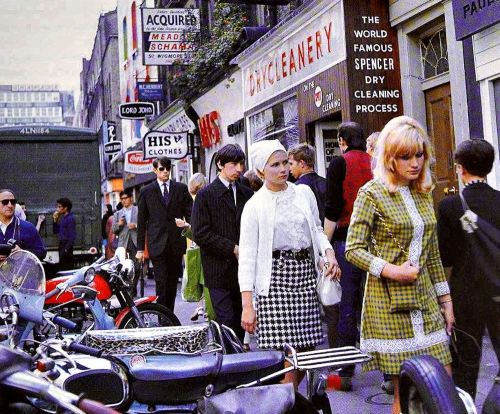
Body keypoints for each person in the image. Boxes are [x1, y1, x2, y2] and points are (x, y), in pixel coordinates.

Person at [345, 116, 454, 414]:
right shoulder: (371, 193)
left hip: (426, 301)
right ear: (389, 158)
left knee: (444, 383)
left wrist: (446, 300)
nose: (415, 163)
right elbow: (353, 250)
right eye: (405, 157)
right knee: (404, 395)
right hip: (389, 304)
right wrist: (393, 270)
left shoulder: (423, 192)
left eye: (419, 154)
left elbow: (432, 254)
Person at [239, 139, 340, 388]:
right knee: (288, 356)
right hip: (274, 281)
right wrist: (247, 305)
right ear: (262, 170)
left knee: (305, 354)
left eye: (285, 162)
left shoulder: (303, 193)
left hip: (305, 275)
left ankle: (287, 398)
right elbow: (248, 257)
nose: (283, 169)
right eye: (275, 164)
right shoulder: (254, 206)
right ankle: (289, 401)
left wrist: (329, 254)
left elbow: (317, 230)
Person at [437, 139, 500, 399]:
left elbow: (445, 256)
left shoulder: (450, 206)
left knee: (466, 364)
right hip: (499, 289)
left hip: (466, 295)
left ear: (460, 168)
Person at [323, 122, 373, 390]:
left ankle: (344, 371)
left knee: (347, 306)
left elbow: (333, 206)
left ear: (342, 140)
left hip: (346, 239)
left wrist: (325, 242)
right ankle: (389, 374)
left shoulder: (338, 164)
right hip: (376, 241)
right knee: (375, 304)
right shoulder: (375, 162)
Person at [191, 145, 254, 342]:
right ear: (220, 164)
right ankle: (230, 365)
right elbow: (200, 233)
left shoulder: (247, 193)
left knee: (240, 323)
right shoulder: (206, 195)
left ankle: (236, 364)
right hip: (218, 271)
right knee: (227, 323)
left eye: (241, 164)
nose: (239, 169)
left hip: (243, 271)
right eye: (233, 164)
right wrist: (232, 248)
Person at [136, 156, 193, 312]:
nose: (165, 172)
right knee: (161, 283)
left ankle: (169, 315)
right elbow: (141, 221)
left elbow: (191, 213)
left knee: (172, 283)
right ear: (155, 170)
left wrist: (190, 228)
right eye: (162, 169)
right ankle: (163, 318)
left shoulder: (180, 188)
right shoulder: (146, 191)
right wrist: (140, 249)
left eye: (168, 168)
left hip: (175, 243)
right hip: (157, 244)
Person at [0, 189, 46, 261]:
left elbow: (41, 253)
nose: (10, 205)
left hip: (20, 271)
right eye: (5, 202)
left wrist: (22, 253)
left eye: (13, 202)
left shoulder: (28, 228)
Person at [288, 143, 327, 224]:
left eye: (291, 164)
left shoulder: (295, 188)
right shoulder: (327, 183)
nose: (289, 168)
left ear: (302, 163)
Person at [111, 190, 138, 259]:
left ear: (131, 198)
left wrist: (135, 225)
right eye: (122, 199)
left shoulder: (138, 210)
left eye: (125, 198)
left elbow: (146, 224)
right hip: (123, 243)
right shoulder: (117, 213)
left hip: (136, 241)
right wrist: (119, 224)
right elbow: (113, 230)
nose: (124, 200)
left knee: (137, 266)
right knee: (124, 266)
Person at [53, 197, 76, 270]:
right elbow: (56, 231)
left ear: (65, 208)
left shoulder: (70, 219)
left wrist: (66, 249)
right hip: (62, 245)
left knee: (66, 268)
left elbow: (72, 236)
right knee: (62, 267)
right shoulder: (63, 218)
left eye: (60, 207)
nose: (57, 209)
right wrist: (55, 220)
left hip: (66, 246)